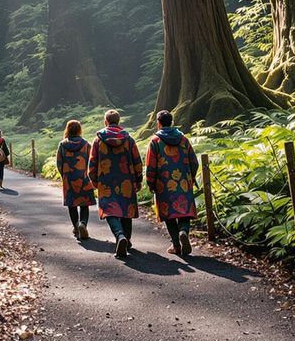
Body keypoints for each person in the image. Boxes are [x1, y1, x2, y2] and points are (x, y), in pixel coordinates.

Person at [145, 109, 200, 257]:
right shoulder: (183, 140)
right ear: (172, 122)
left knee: (169, 215)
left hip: (164, 184)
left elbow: (151, 165)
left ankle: (176, 244)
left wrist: (150, 183)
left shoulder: (155, 141)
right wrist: (191, 177)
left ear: (158, 123)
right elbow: (194, 162)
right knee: (184, 213)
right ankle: (183, 232)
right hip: (183, 182)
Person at [89, 109, 143, 258]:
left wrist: (94, 180)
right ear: (119, 121)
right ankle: (127, 239)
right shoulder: (129, 139)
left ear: (105, 122)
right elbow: (137, 161)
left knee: (109, 210)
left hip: (106, 180)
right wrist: (138, 180)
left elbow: (92, 162)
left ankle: (120, 236)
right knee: (126, 209)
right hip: (126, 179)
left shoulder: (98, 140)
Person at [55, 119, 96, 239]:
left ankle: (76, 226)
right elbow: (92, 161)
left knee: (71, 205)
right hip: (84, 177)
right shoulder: (86, 145)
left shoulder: (62, 145)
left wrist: (64, 175)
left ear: (67, 129)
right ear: (79, 130)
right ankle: (83, 223)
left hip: (69, 178)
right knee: (84, 204)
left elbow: (59, 163)